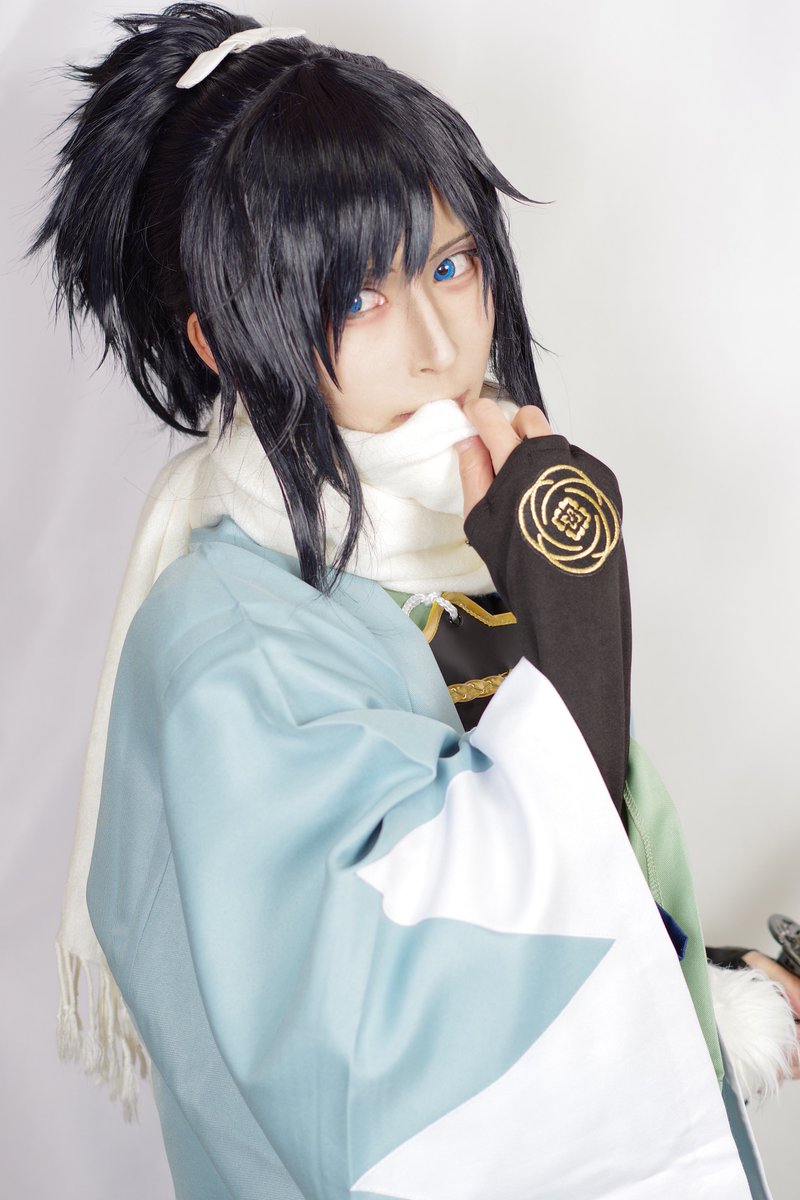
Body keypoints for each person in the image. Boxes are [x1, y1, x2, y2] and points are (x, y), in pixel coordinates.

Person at [32, 5, 799, 1197]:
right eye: (358, 298)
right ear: (225, 343)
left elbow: (554, 899)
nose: (439, 344)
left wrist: (703, 987)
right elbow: (386, 1066)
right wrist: (577, 626)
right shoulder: (225, 642)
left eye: (449, 265)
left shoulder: (451, 546)